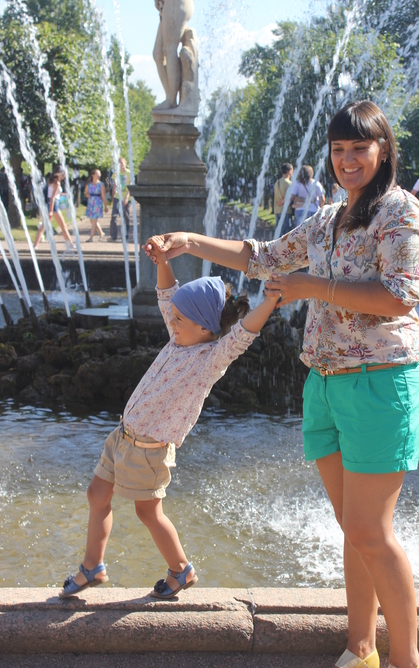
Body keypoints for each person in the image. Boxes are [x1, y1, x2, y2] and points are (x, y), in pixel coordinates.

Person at [146, 100, 419, 668]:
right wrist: (191, 242)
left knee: (372, 534)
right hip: (325, 384)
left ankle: (408, 665)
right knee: (354, 531)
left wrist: (312, 286)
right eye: (338, 150)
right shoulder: (327, 219)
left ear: (383, 151)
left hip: (381, 383)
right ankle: (361, 651)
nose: (347, 160)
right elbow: (263, 259)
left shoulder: (401, 212)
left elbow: (398, 296)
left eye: (359, 148)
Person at [59, 246, 279, 599]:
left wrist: (269, 302)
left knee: (148, 512)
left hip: (149, 450)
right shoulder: (179, 339)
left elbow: (241, 336)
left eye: (178, 319)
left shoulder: (210, 360)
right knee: (96, 495)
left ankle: (181, 569)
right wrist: (162, 260)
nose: (170, 323)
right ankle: (93, 565)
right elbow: (167, 296)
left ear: (204, 327)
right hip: (122, 436)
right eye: (172, 317)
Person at [34, 168, 75, 252]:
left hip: (50, 204)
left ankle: (35, 245)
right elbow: (53, 197)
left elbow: (53, 194)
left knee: (43, 226)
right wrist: (51, 211)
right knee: (63, 226)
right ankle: (70, 244)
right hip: (54, 205)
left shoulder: (52, 182)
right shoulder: (57, 183)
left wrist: (63, 194)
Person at [110, 158, 131, 242]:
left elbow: (130, 186)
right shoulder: (116, 173)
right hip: (117, 197)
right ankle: (113, 235)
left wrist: (127, 198)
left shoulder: (129, 173)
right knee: (114, 216)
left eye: (122, 162)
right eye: (119, 163)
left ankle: (125, 234)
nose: (120, 164)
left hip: (126, 197)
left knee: (126, 216)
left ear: (125, 163)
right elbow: (114, 186)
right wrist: (113, 197)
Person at [85, 169, 109, 242]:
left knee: (94, 221)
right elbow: (86, 193)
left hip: (97, 204)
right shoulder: (89, 184)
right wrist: (87, 195)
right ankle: (101, 233)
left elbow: (103, 196)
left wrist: (105, 206)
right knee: (92, 221)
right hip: (90, 203)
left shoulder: (101, 185)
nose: (99, 176)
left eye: (99, 174)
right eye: (97, 174)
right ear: (93, 175)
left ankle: (91, 238)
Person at [273, 162, 294, 235]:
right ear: (289, 171)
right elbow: (290, 198)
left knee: (279, 233)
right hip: (286, 211)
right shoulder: (289, 184)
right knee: (286, 234)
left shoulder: (277, 182)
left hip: (277, 210)